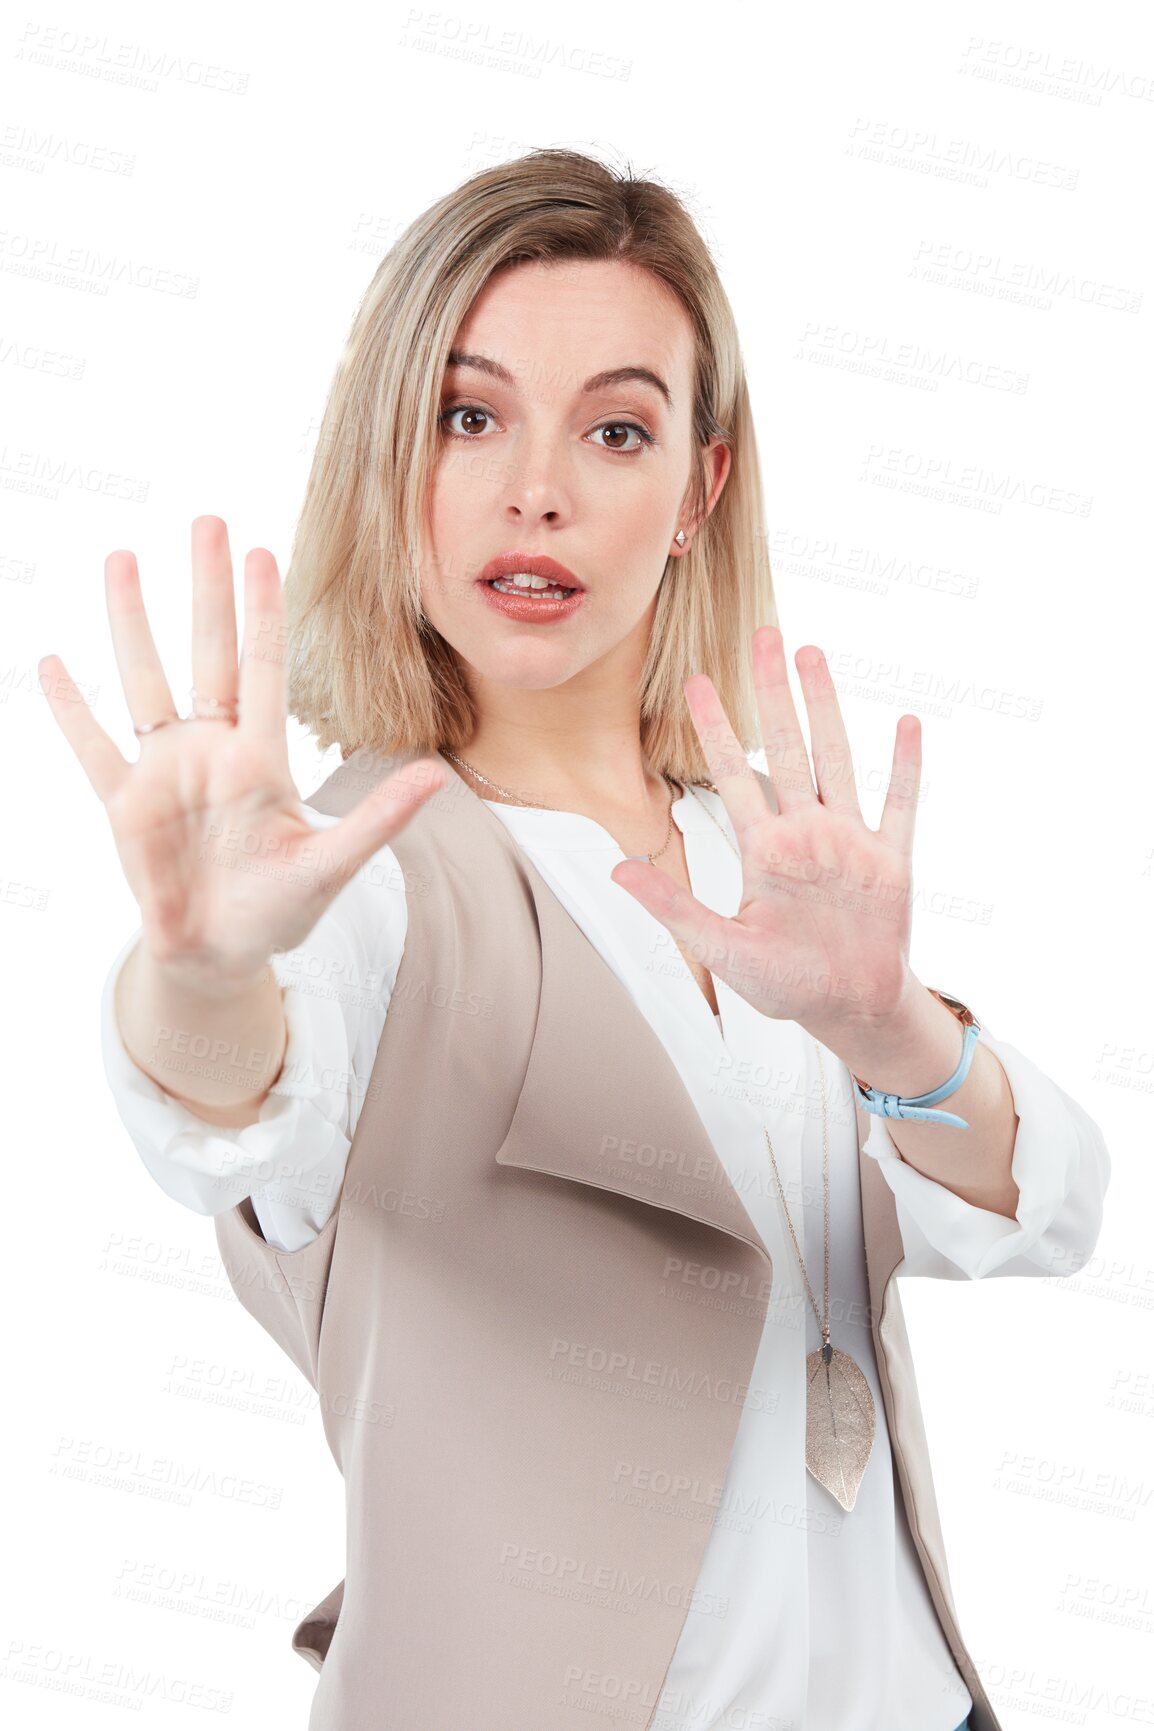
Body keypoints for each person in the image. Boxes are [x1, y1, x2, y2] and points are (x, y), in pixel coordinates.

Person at [41, 148, 1109, 1731]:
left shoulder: (772, 861)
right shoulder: (364, 875)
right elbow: (222, 1110)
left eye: (615, 429)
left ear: (698, 491)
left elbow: (1049, 1213)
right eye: (467, 415)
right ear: (383, 459)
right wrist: (199, 966)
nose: (534, 486)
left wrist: (888, 1034)